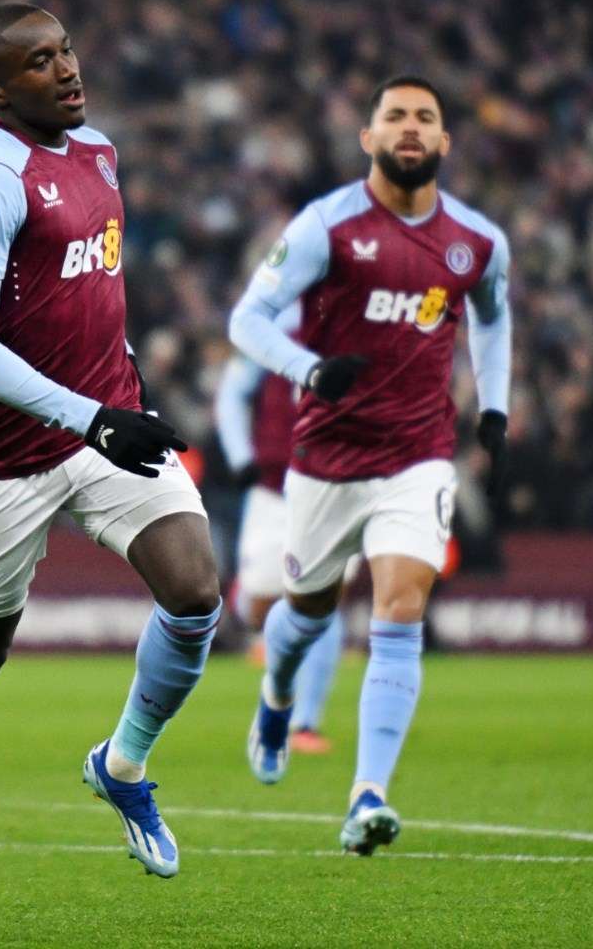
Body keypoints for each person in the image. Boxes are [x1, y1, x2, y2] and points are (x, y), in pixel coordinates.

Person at [0, 3, 224, 928]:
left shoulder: (100, 152)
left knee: (196, 592)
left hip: (108, 426)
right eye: (39, 63)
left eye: (67, 49)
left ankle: (121, 766)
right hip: (7, 456)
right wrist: (90, 415)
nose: (67, 69)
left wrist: (122, 397)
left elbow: (90, 289)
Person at [229, 75, 511, 855]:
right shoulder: (327, 227)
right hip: (324, 461)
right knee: (305, 614)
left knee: (400, 605)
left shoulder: (478, 242)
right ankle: (278, 695)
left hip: (418, 458)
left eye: (426, 117)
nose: (411, 127)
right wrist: (308, 371)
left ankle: (367, 795)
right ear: (369, 138)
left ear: (446, 142)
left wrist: (495, 404)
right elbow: (246, 321)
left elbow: (494, 315)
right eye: (395, 116)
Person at [213, 302, 343, 753]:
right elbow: (233, 392)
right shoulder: (271, 327)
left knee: (323, 599)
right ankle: (247, 605)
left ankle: (305, 722)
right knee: (262, 606)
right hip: (273, 486)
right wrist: (240, 457)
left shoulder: (361, 321)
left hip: (333, 485)